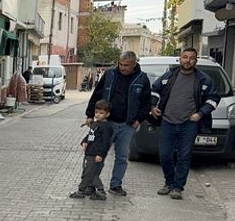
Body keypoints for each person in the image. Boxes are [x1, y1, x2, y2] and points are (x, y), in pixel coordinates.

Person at [150, 47, 220, 200]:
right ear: (179, 59)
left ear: (196, 60)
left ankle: (177, 187)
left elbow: (214, 99)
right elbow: (154, 90)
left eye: (191, 58)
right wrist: (153, 107)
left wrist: (200, 114)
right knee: (165, 155)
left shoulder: (204, 80)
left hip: (189, 124)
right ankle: (169, 182)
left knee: (184, 156)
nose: (188, 60)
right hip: (168, 121)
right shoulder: (168, 76)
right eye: (185, 57)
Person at [85, 51, 151, 196]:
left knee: (121, 157)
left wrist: (139, 119)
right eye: (120, 64)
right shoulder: (109, 75)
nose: (122, 68)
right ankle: (91, 183)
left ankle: (116, 185)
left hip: (127, 125)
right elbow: (96, 94)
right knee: (98, 155)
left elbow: (146, 103)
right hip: (106, 124)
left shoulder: (142, 79)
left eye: (126, 65)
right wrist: (90, 115)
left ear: (134, 64)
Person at [70, 100, 114, 200]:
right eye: (96, 112)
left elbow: (106, 143)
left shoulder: (106, 127)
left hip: (95, 154)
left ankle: (84, 191)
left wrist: (101, 155)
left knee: (89, 174)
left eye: (101, 113)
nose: (98, 115)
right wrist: (84, 141)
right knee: (90, 173)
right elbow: (90, 135)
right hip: (89, 152)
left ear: (107, 114)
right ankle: (94, 190)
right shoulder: (95, 124)